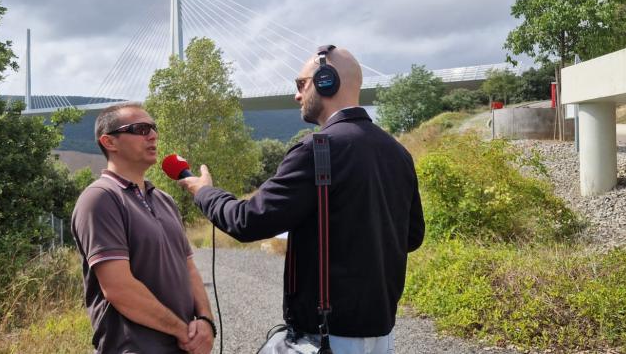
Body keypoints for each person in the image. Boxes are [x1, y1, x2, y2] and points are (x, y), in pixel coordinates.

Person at [178, 46, 425, 354]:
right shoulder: (398, 153)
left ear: (326, 81)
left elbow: (247, 221)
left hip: (326, 340)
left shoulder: (316, 149)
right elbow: (412, 237)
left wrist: (204, 193)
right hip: (381, 335)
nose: (296, 95)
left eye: (300, 84)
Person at [71, 103, 215, 354]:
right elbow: (119, 288)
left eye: (154, 128)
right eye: (140, 128)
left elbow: (188, 267)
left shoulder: (164, 200)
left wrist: (205, 321)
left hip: (182, 347)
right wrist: (184, 332)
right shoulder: (100, 198)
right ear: (109, 142)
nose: (153, 135)